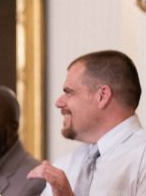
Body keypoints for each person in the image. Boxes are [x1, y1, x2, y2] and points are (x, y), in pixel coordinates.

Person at [27, 50, 146, 196]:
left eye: (69, 92)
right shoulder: (65, 165)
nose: (58, 102)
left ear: (102, 96)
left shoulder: (142, 157)